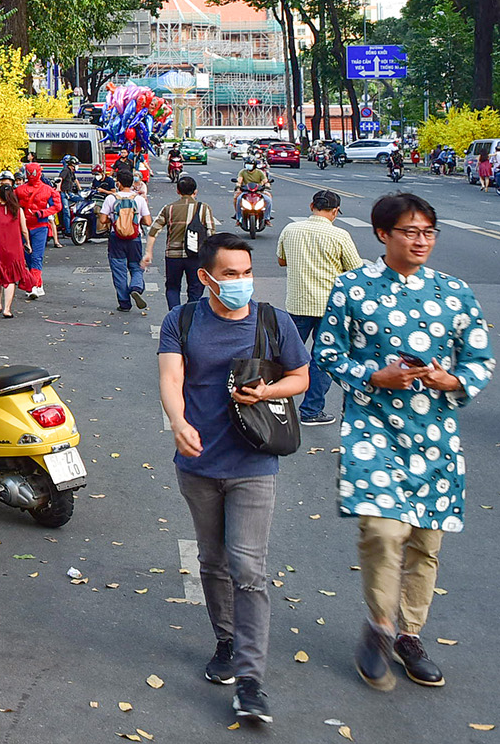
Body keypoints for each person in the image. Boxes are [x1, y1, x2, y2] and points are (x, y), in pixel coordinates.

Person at [315, 192, 493, 692]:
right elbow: (328, 354)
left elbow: (479, 359)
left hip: (435, 436)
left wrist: (452, 382)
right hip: (372, 431)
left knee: (424, 541)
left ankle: (409, 634)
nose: (421, 241)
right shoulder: (352, 287)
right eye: (410, 232)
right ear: (382, 234)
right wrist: (375, 376)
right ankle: (381, 626)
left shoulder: (455, 292)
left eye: (428, 232)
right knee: (382, 531)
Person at [157, 234, 310, 726]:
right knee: (213, 561)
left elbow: (301, 378)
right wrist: (179, 423)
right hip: (199, 465)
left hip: (253, 463)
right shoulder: (181, 321)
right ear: (205, 277)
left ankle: (250, 681)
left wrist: (268, 391)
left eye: (247, 273)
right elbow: (172, 380)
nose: (241, 282)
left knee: (248, 568)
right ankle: (225, 639)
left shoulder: (272, 320)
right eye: (230, 274)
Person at [273, 189, 362, 427]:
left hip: (297, 303)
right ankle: (311, 410)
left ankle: (273, 402)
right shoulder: (340, 235)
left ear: (311, 205)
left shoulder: (290, 230)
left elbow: (281, 260)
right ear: (334, 211)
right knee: (323, 359)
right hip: (330, 308)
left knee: (286, 356)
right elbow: (355, 272)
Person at [146, 175, 214, 309]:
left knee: (172, 287)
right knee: (195, 289)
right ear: (195, 191)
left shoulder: (169, 208)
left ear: (178, 191)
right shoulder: (204, 208)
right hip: (196, 256)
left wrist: (148, 253)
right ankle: (189, 318)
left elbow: (153, 231)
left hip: (173, 256)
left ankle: (175, 317)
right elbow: (211, 235)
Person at [0, 173, 33, 319]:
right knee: (10, 278)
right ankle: (7, 309)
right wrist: (27, 243)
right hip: (13, 248)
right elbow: (24, 230)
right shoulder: (18, 211)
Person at [99, 166, 151, 314]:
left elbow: (102, 220)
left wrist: (112, 219)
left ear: (119, 183)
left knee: (119, 270)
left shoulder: (111, 198)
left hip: (116, 239)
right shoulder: (139, 199)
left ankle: (124, 303)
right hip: (134, 239)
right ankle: (136, 288)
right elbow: (147, 221)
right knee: (136, 267)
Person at [15, 164, 60, 296]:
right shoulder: (21, 190)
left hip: (36, 226)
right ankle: (36, 283)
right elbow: (57, 206)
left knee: (34, 257)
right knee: (30, 257)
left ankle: (33, 285)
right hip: (31, 226)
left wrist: (43, 213)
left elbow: (57, 206)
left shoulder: (21, 190)